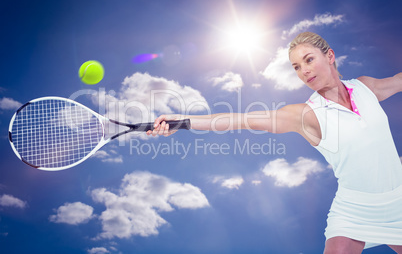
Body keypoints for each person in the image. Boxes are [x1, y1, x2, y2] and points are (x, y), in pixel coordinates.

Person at [147, 32, 402, 254]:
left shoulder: (365, 87)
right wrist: (183, 121)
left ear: (330, 56)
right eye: (296, 67)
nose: (304, 71)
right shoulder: (304, 115)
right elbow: (242, 119)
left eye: (309, 60)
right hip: (355, 210)